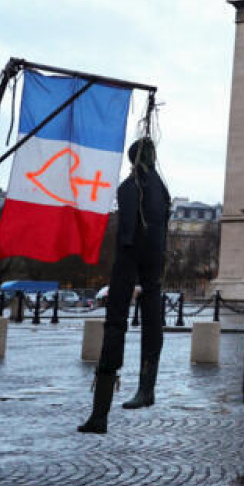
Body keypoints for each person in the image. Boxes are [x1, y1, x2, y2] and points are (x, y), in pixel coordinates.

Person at [80, 136, 171, 434]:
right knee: (153, 317)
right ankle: (147, 388)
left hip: (130, 256)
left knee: (115, 323)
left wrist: (128, 245)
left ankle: (100, 413)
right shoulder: (162, 187)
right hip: (156, 256)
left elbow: (128, 228)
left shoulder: (131, 187)